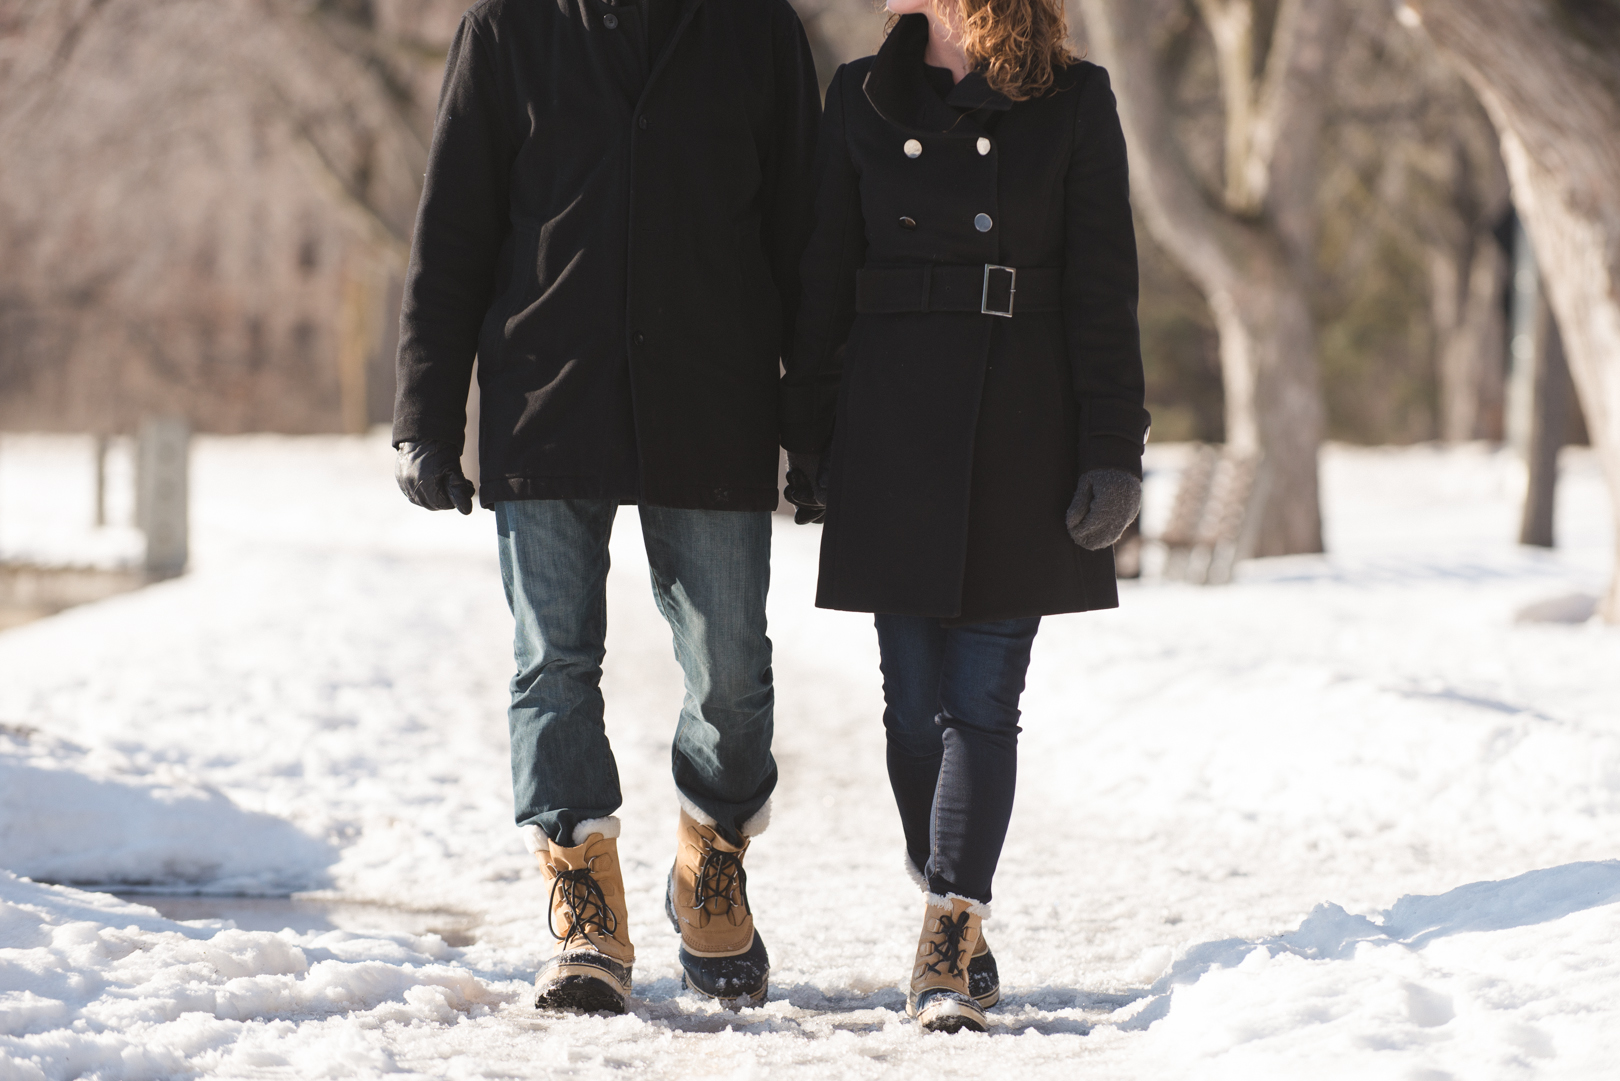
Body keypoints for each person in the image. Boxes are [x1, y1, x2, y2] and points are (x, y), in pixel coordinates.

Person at [391, 0, 820, 1014]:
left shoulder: (756, 29)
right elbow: (452, 227)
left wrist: (818, 423)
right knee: (553, 659)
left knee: (730, 667)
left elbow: (807, 238)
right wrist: (425, 412)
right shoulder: (507, 29)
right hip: (548, 397)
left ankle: (713, 853)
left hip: (710, 399)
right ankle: (580, 889)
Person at [780, 0, 1149, 1033]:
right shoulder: (861, 93)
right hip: (890, 421)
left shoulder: (1074, 99)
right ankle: (949, 870)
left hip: (1022, 421)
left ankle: (952, 920)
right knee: (912, 707)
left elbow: (1104, 285)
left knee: (982, 700)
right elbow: (822, 274)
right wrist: (804, 434)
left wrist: (1114, 448)